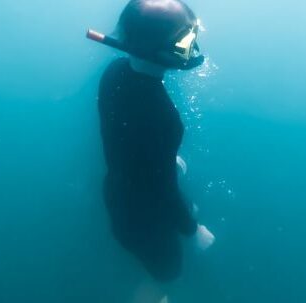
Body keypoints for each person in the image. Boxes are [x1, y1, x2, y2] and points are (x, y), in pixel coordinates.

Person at [89, 0, 215, 283]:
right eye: (186, 40)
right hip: (146, 221)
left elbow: (128, 135)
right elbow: (163, 190)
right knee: (168, 273)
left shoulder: (114, 72)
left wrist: (161, 156)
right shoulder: (164, 118)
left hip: (117, 196)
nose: (192, 47)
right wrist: (192, 231)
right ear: (165, 52)